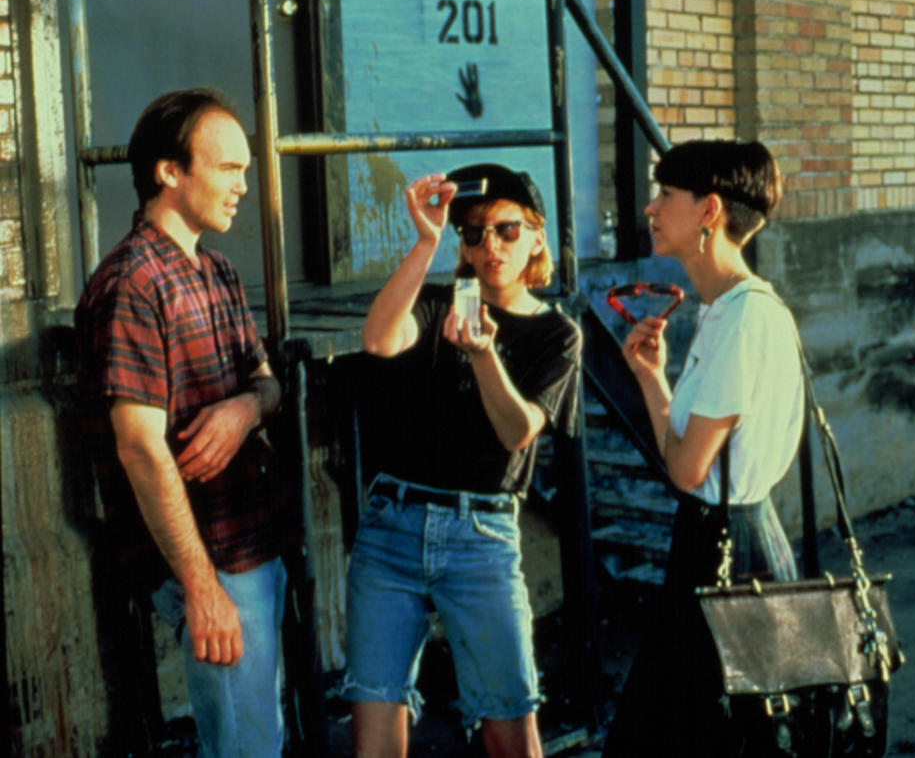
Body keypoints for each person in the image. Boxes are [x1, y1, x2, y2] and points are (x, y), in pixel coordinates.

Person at [75, 89, 293, 758]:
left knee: (261, 734)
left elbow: (270, 382)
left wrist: (246, 406)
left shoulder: (217, 269)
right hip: (213, 562)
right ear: (170, 171)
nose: (243, 186)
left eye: (245, 170)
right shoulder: (132, 283)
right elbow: (139, 448)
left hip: (255, 545)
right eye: (228, 168)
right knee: (245, 746)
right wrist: (203, 590)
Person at [344, 164, 582, 758]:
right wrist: (427, 240)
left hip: (481, 536)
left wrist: (482, 356)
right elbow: (377, 339)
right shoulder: (433, 303)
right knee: (375, 737)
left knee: (511, 732)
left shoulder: (557, 334)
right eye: (472, 234)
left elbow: (518, 431)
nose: (489, 246)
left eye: (504, 230)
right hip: (390, 531)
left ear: (535, 236)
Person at [602, 139, 803, 757]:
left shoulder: (741, 319)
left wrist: (663, 406)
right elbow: (691, 460)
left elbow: (687, 468)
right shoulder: (736, 310)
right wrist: (650, 379)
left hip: (724, 552)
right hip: (734, 541)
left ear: (709, 210)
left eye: (666, 195)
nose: (651, 208)